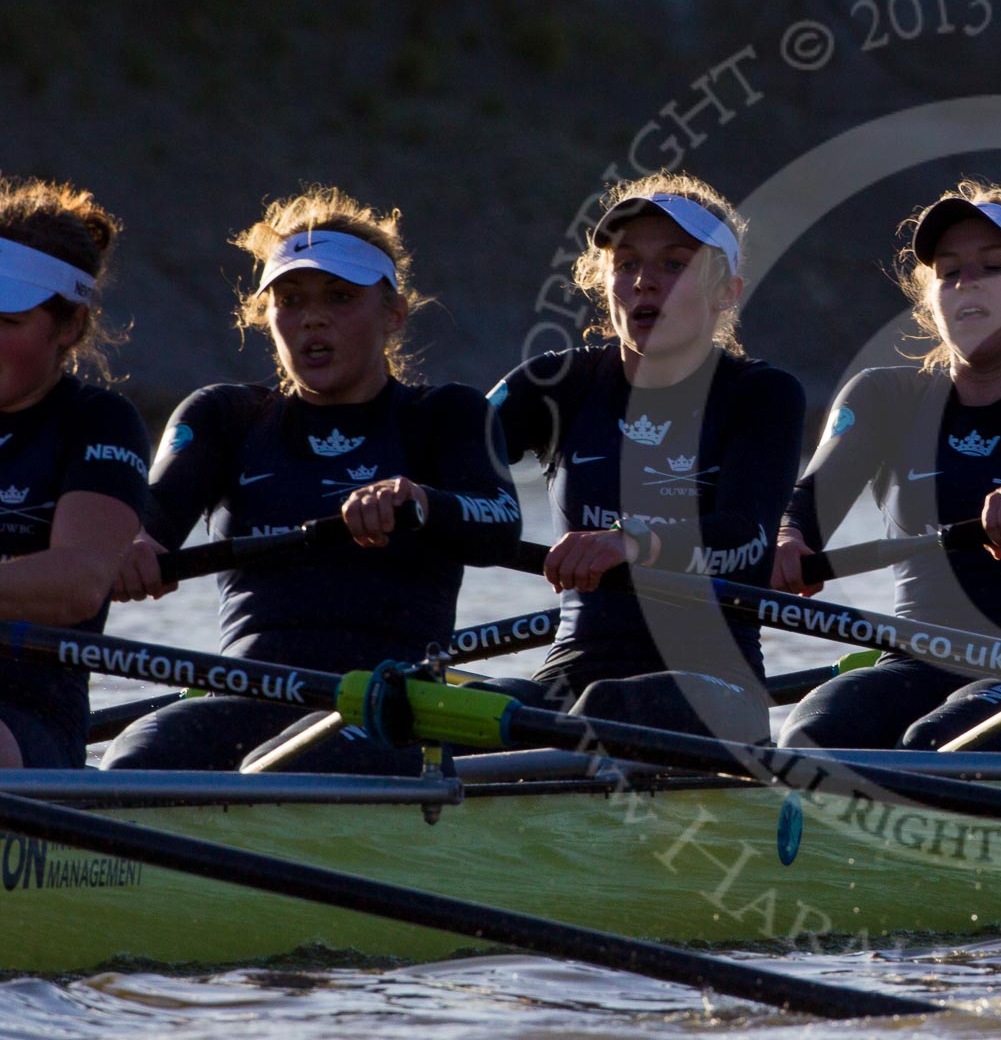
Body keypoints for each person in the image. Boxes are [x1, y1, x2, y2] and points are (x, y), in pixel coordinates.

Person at [102, 185, 522, 770]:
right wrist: (133, 547)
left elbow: (501, 524)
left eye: (340, 297)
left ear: (394, 313)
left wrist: (422, 502)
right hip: (250, 692)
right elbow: (150, 517)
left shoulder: (446, 415)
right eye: (291, 299)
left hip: (388, 704)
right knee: (131, 762)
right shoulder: (224, 416)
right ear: (265, 316)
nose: (312, 317)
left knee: (296, 764)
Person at [773, 181, 1001, 753]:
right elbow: (810, 497)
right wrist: (789, 538)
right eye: (950, 273)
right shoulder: (884, 397)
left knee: (939, 744)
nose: (967, 281)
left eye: (992, 267)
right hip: (914, 664)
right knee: (812, 735)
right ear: (932, 299)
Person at [486, 172, 802, 745]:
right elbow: (444, 455)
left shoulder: (761, 395)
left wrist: (632, 541)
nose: (643, 283)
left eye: (674, 265)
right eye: (626, 263)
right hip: (576, 665)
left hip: (716, 679)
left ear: (726, 291)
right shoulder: (559, 384)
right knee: (483, 708)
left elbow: (747, 535)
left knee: (604, 707)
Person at [0, 178, 149, 769]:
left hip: (26, 711)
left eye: (6, 323)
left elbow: (81, 581)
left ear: (69, 327)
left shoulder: (98, 422)